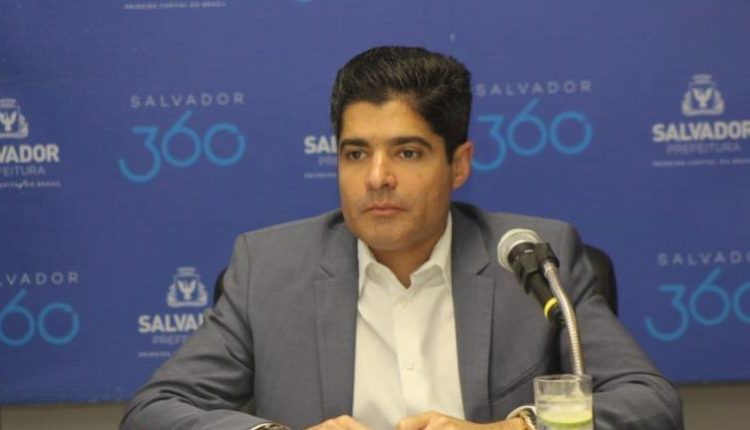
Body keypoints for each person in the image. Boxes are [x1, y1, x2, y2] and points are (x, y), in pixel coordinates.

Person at [121, 46, 683, 430]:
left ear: (458, 164)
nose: (377, 178)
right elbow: (154, 410)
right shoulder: (268, 268)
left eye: (407, 152)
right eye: (355, 153)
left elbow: (649, 404)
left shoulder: (531, 259)